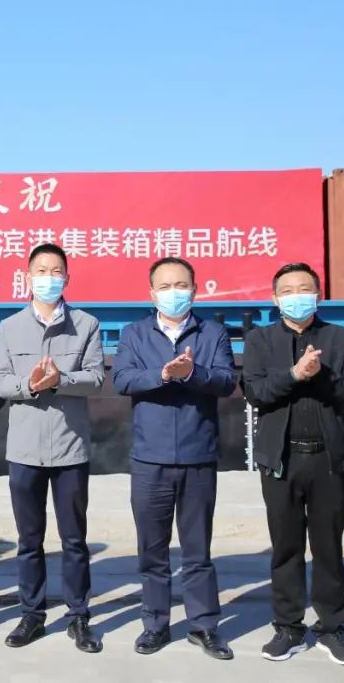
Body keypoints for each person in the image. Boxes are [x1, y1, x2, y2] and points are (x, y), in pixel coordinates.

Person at [241, 263, 344, 666]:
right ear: (275, 298)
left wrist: (322, 375)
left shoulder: (340, 337)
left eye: (305, 289)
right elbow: (256, 392)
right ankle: (288, 627)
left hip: (328, 460)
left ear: (318, 294)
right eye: (288, 290)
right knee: (286, 546)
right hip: (281, 459)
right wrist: (295, 374)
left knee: (328, 546)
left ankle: (332, 628)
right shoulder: (260, 340)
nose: (297, 296)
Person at [112, 256, 236, 660]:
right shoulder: (135, 334)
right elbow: (121, 379)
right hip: (150, 460)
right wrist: (163, 375)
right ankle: (155, 625)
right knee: (153, 551)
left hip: (199, 458)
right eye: (165, 286)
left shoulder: (213, 332)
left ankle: (204, 626)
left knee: (197, 552)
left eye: (181, 285)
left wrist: (192, 373)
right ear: (152, 293)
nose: (173, 293)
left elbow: (226, 381)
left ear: (195, 290)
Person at [0, 244, 104, 652]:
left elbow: (96, 378)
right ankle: (32, 614)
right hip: (24, 451)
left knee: (74, 539)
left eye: (56, 271)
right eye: (41, 271)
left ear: (67, 278)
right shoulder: (9, 327)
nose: (48, 278)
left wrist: (60, 381)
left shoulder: (87, 324)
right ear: (27, 277)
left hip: (70, 449)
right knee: (29, 540)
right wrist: (29, 385)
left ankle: (78, 616)